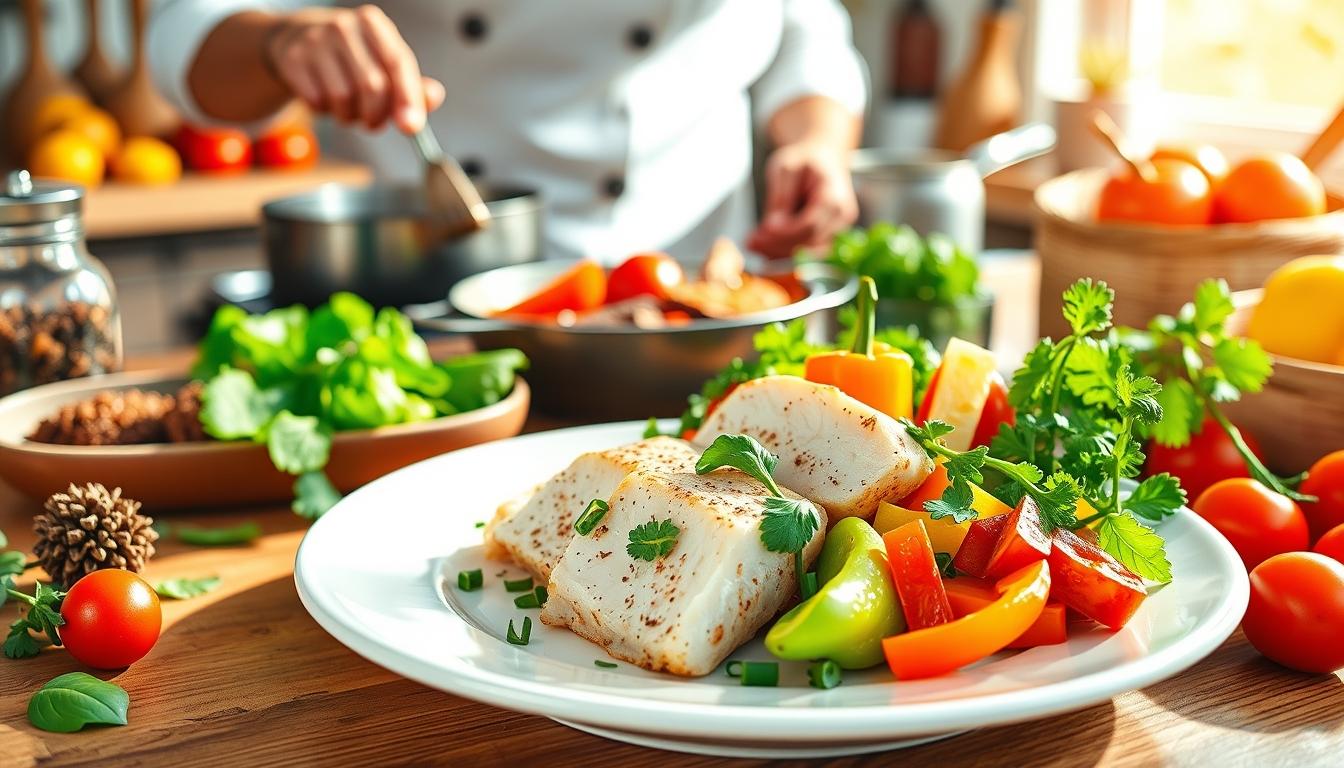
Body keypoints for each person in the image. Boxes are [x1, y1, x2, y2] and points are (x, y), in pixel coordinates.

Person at [148, 1, 868, 263]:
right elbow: (185, 37)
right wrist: (282, 40)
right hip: (451, 302)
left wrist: (817, 145)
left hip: (702, 300)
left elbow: (809, 33)